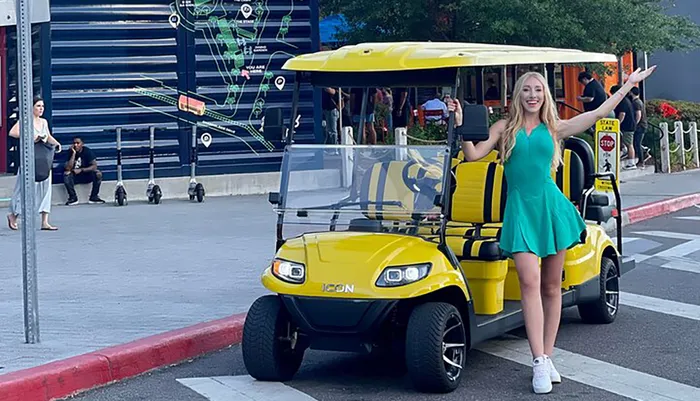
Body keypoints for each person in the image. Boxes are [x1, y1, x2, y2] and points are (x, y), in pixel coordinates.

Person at [460, 66, 656, 394]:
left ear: (545, 95)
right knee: (528, 281)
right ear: (518, 94)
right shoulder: (503, 128)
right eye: (527, 90)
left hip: (552, 209)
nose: (533, 95)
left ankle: (547, 356)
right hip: (521, 211)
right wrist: (461, 124)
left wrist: (627, 86)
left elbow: (596, 114)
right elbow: (472, 154)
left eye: (538, 90)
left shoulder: (554, 128)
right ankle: (537, 361)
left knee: (552, 287)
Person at [6, 96, 62, 231]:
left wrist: (56, 143)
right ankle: (14, 214)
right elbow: (12, 133)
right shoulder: (25, 121)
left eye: (42, 106)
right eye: (38, 106)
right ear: (31, 107)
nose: (41, 109)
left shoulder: (43, 122)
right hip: (29, 158)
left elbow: (47, 135)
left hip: (43, 158)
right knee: (23, 187)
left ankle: (45, 220)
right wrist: (31, 136)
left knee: (45, 187)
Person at [64, 137, 105, 205]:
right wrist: (73, 154)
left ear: (82, 144)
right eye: (74, 143)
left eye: (78, 143)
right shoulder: (70, 152)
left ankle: (94, 197)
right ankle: (73, 198)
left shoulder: (87, 151)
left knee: (98, 174)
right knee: (66, 174)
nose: (76, 145)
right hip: (75, 176)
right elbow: (68, 168)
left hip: (86, 174)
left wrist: (82, 170)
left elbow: (94, 166)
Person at [610, 85, 637, 169]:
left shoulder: (622, 101)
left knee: (629, 144)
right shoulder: (626, 100)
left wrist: (617, 123)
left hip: (627, 126)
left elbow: (622, 114)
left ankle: (632, 163)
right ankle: (624, 151)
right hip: (628, 125)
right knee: (624, 141)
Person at [630, 86, 648, 168]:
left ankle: (641, 160)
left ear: (632, 93)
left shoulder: (636, 103)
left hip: (640, 126)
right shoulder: (639, 101)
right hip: (643, 125)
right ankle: (645, 154)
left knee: (637, 143)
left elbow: (638, 114)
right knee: (637, 143)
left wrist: (635, 124)